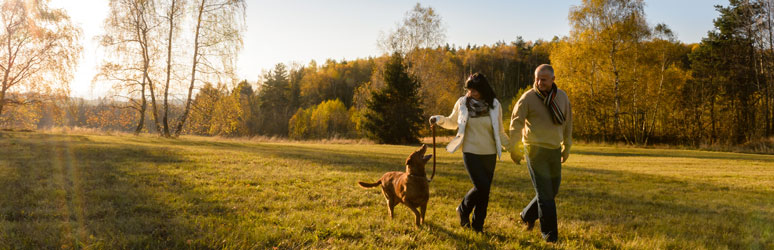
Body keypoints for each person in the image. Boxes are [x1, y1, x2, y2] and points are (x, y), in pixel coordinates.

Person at [429, 73, 510, 233]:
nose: (470, 93)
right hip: (470, 151)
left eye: (474, 90)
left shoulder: (494, 105)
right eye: (469, 90)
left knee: (484, 192)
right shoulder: (462, 103)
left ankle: (478, 226)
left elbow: (500, 132)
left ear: (483, 89)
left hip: (490, 154)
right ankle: (463, 209)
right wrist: (438, 119)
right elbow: (453, 122)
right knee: (481, 186)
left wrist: (512, 148)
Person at [509, 64, 572, 242]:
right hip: (534, 149)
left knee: (552, 191)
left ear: (553, 80)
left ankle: (527, 215)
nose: (539, 82)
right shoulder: (528, 98)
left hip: (554, 149)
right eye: (536, 78)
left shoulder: (562, 97)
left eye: (543, 79)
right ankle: (550, 235)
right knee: (545, 195)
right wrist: (514, 148)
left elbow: (568, 123)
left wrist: (567, 146)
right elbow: (516, 124)